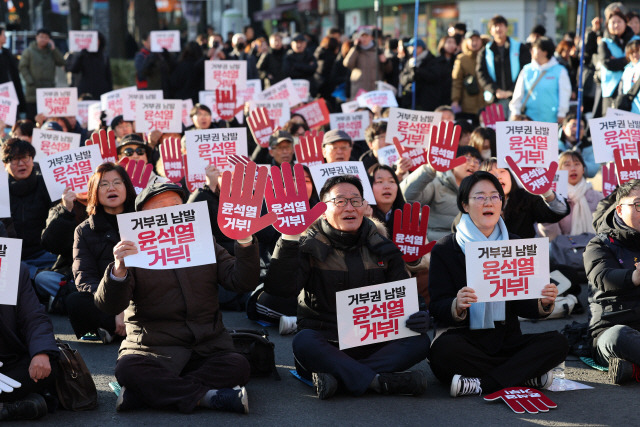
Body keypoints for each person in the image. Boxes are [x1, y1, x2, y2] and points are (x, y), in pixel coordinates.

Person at [94, 181, 261, 413]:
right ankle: (209, 397)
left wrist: (245, 242)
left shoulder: (205, 242)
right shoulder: (130, 251)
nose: (170, 215)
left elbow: (241, 281)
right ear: (141, 218)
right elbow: (109, 304)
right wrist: (118, 269)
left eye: (175, 206)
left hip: (206, 346)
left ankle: (146, 395)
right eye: (159, 210)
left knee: (238, 365)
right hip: (152, 349)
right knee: (128, 369)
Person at [263, 175, 430, 399]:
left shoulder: (383, 245)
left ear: (364, 206)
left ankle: (344, 379)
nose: (349, 207)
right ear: (323, 210)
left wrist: (420, 315)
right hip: (328, 344)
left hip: (374, 343)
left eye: (355, 201)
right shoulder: (306, 245)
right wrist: (289, 239)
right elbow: (280, 289)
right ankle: (380, 380)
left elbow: (404, 295)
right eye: (340, 201)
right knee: (304, 342)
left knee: (419, 341)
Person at [429, 171, 568, 397]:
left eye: (495, 196)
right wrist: (456, 304)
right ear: (465, 205)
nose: (489, 202)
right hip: (467, 341)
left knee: (558, 343)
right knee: (443, 352)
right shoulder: (446, 248)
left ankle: (483, 384)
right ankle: (524, 376)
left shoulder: (515, 244)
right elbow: (436, 306)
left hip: (508, 341)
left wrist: (542, 302)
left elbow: (524, 307)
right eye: (480, 197)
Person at [66, 163, 137, 343]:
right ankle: (118, 325)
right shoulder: (84, 230)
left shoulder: (143, 219)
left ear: (127, 187)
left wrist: (128, 306)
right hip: (107, 299)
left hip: (141, 296)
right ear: (94, 192)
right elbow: (84, 278)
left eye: (116, 182)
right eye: (104, 184)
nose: (111, 188)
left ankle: (113, 329)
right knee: (76, 301)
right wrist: (116, 307)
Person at [583, 179, 640, 384]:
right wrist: (633, 277)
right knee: (620, 336)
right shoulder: (599, 243)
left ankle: (632, 369)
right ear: (619, 209)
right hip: (612, 327)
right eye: (638, 205)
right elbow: (601, 276)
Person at [0, 263, 59, 421]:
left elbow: (33, 317)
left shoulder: (11, 267)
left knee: (48, 365)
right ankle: (9, 408)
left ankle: (8, 405)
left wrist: (41, 352)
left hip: (8, 361)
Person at [400, 146, 482, 242]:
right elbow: (407, 196)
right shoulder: (436, 183)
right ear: (453, 161)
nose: (472, 164)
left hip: (466, 245)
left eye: (477, 162)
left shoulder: (479, 190)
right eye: (467, 159)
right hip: (435, 245)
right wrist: (429, 169)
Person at [1, 138, 56, 278]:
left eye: (25, 158)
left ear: (32, 159)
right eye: (14, 159)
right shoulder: (1, 191)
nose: (21, 164)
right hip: (11, 257)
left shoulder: (47, 185)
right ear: (5, 164)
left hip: (45, 255)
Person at [481, 158, 570, 239]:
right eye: (491, 173)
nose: (498, 176)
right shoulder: (477, 204)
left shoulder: (525, 198)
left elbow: (558, 212)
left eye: (502, 171)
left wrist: (546, 193)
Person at [509, 37, 571, 124]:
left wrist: (562, 113)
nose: (531, 50)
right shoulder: (527, 69)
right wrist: (515, 111)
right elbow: (518, 93)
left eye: (535, 48)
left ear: (545, 52)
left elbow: (564, 94)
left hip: (551, 120)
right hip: (528, 120)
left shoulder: (560, 71)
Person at [476, 15, 531, 111]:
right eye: (495, 26)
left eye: (501, 25)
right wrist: (495, 90)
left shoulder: (520, 48)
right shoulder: (485, 51)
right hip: (494, 99)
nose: (498, 29)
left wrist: (512, 90)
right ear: (490, 30)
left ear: (506, 28)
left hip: (517, 98)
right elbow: (481, 73)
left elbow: (526, 70)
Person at [598, 10, 639, 114]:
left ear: (625, 23)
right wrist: (629, 60)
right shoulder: (605, 42)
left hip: (633, 92)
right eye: (613, 22)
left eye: (619, 21)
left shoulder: (636, 40)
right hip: (610, 92)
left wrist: (617, 60)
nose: (616, 25)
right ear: (607, 25)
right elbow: (608, 64)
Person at [18, 28, 65, 120]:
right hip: (33, 91)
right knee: (32, 118)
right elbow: (22, 67)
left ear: (49, 39)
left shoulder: (51, 52)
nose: (43, 39)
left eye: (46, 37)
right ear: (36, 37)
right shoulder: (29, 51)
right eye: (41, 37)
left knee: (47, 118)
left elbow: (62, 62)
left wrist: (54, 49)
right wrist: (30, 81)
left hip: (48, 91)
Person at [399, 38, 446, 112]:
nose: (409, 49)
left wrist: (418, 71)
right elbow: (402, 78)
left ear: (419, 48)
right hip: (410, 100)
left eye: (411, 47)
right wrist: (411, 76)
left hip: (426, 102)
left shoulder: (432, 60)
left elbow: (433, 77)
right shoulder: (410, 61)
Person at [344, 28, 391, 99]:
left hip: (374, 90)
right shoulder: (355, 50)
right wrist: (355, 48)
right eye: (362, 36)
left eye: (366, 36)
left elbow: (388, 70)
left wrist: (386, 62)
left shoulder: (377, 50)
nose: (364, 39)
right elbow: (347, 63)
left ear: (371, 37)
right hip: (359, 89)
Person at [451, 30, 485, 127]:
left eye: (477, 39)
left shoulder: (488, 56)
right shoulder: (462, 59)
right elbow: (456, 81)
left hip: (486, 103)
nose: (474, 43)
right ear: (466, 42)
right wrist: (455, 100)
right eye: (471, 40)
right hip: (468, 104)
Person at [66, 32, 113, 99]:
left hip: (101, 92)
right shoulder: (82, 55)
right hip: (85, 92)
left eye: (97, 40)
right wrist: (80, 55)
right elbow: (73, 69)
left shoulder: (104, 56)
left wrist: (110, 92)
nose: (95, 43)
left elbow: (108, 76)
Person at [557, 113, 598, 178]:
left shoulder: (588, 146)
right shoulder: (554, 143)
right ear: (564, 128)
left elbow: (592, 171)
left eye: (581, 127)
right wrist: (569, 155)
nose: (576, 130)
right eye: (573, 125)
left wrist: (578, 158)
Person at [0, 25, 26, 113]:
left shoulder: (7, 53)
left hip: (10, 94)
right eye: (3, 35)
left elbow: (14, 75)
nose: (5, 37)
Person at [620, 39, 640, 114]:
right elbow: (621, 88)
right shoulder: (627, 69)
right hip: (629, 110)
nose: (635, 55)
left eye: (637, 51)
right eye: (632, 53)